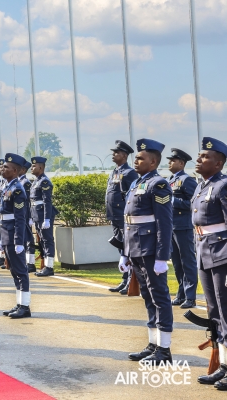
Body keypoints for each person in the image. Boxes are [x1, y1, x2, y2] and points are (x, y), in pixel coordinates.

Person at [119, 139, 174, 364]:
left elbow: (165, 223)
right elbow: (128, 221)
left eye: (141, 158)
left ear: (153, 162)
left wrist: (162, 257)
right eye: (136, 157)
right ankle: (153, 343)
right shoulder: (136, 183)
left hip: (151, 249)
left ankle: (164, 349)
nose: (136, 161)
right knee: (148, 296)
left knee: (159, 296)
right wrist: (125, 253)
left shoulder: (158, 184)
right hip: (135, 248)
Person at [191, 137, 227, 389]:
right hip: (205, 253)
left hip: (223, 254)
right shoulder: (201, 186)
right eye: (200, 155)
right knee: (214, 311)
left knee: (226, 310)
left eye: (205, 156)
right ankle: (223, 365)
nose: (199, 159)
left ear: (218, 163)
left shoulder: (223, 186)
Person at [0, 154, 31, 319]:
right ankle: (19, 303)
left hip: (13, 234)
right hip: (6, 233)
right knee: (13, 271)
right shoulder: (7, 186)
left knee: (20, 271)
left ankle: (25, 306)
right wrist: (1, 238)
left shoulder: (18, 189)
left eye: (6, 167)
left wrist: (18, 241)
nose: (2, 169)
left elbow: (20, 218)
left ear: (15, 171)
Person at [165, 148, 198, 308]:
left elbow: (194, 203)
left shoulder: (187, 180)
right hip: (171, 226)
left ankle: (190, 297)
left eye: (173, 160)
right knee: (177, 264)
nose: (169, 163)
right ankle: (181, 293)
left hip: (183, 226)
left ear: (181, 163)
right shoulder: (169, 180)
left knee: (187, 262)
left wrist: (173, 201)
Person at [106, 140, 139, 294]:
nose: (113, 155)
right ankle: (125, 279)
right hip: (115, 216)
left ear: (124, 155)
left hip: (123, 217)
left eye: (116, 153)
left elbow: (131, 196)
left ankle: (131, 281)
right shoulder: (115, 172)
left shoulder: (129, 173)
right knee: (122, 250)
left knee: (128, 250)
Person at [30, 157, 57, 276]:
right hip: (37, 215)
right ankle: (46, 265)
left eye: (34, 166)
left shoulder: (44, 182)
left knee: (47, 240)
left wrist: (47, 219)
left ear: (40, 167)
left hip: (43, 215)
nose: (31, 168)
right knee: (42, 241)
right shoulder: (36, 181)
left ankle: (49, 267)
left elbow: (47, 202)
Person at [18, 160, 36, 273]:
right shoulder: (19, 182)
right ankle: (24, 262)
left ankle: (31, 263)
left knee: (29, 239)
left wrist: (30, 217)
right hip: (21, 215)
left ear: (24, 170)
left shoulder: (26, 183)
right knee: (23, 239)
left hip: (26, 215)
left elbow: (29, 202)